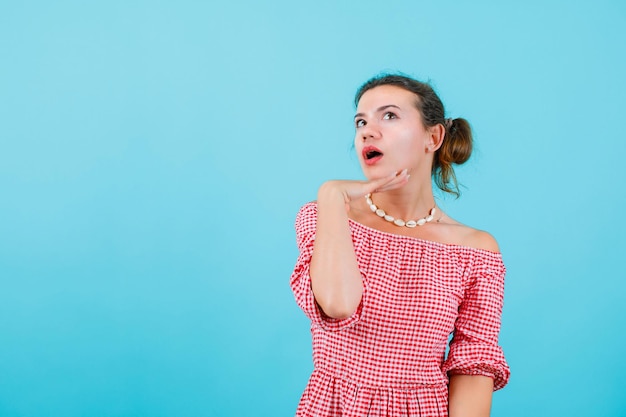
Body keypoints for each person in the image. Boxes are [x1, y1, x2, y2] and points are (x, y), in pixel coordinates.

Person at [290, 73, 510, 417]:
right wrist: (331, 194)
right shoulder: (326, 216)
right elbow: (337, 305)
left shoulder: (476, 251)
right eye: (361, 121)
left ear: (433, 137)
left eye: (389, 116)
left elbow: (474, 365)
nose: (367, 130)